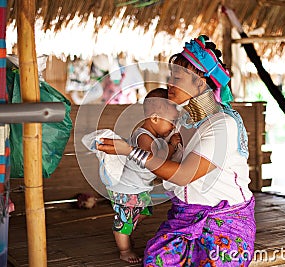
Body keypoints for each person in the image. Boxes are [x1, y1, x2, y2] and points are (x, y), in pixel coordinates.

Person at [97, 35, 256, 266]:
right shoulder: (182, 122)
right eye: (170, 76)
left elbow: (183, 175)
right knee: (155, 259)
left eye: (177, 77)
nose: (169, 83)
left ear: (201, 82)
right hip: (184, 217)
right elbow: (155, 146)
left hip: (225, 221)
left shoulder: (223, 124)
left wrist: (129, 151)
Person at [106, 88, 181, 264]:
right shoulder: (143, 137)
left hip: (138, 188)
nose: (173, 126)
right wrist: (171, 144)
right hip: (126, 189)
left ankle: (127, 228)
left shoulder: (153, 137)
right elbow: (156, 160)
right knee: (124, 221)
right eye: (171, 121)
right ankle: (124, 249)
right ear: (154, 118)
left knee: (145, 211)